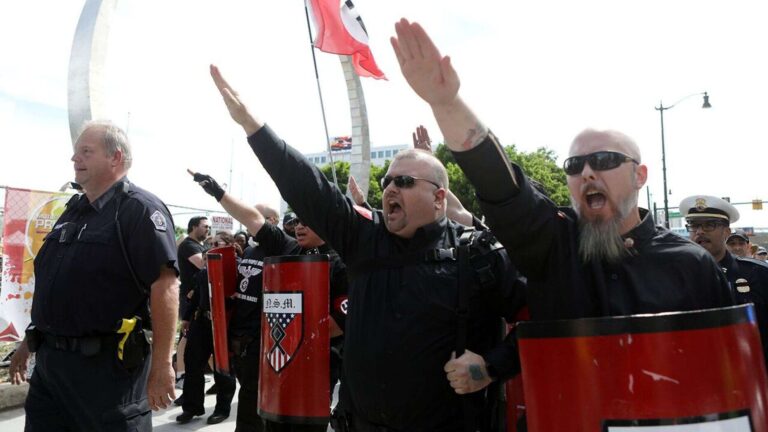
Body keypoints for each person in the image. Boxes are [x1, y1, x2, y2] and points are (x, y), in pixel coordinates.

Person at [210, 65, 519, 432]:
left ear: (439, 198)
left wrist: (491, 366)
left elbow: (543, 318)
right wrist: (254, 127)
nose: (390, 188)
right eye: (388, 180)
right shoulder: (363, 238)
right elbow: (311, 189)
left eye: (404, 181)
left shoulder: (478, 254)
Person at [386, 18, 733, 322]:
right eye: (575, 165)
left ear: (639, 175)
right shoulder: (552, 247)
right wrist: (446, 103)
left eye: (604, 160)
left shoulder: (692, 265)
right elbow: (501, 187)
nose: (587, 173)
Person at [8, 120, 179, 431]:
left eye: (86, 152)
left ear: (116, 157)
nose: (75, 159)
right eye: (75, 153)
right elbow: (57, 285)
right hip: (51, 370)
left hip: (106, 374)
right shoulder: (73, 210)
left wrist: (163, 364)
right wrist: (29, 342)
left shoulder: (138, 209)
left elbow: (165, 285)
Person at [191, 171, 349, 432]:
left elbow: (341, 320)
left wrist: (298, 339)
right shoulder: (288, 247)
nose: (299, 226)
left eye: (307, 221)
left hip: (316, 370)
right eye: (297, 220)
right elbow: (253, 218)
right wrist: (219, 193)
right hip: (275, 363)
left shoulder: (342, 263)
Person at [680, 194, 768, 368]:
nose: (700, 232)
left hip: (750, 372)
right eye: (694, 225)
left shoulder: (758, 274)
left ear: (727, 232)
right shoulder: (676, 277)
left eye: (709, 225)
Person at [176, 230, 238, 425]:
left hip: (225, 324)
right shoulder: (204, 272)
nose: (212, 248)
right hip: (202, 322)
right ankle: (192, 406)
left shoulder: (238, 270)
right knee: (192, 361)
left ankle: (222, 409)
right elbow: (196, 297)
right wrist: (186, 318)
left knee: (223, 368)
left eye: (218, 243)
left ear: (229, 246)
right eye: (210, 244)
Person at [176, 215, 210, 389]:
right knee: (186, 337)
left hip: (199, 297)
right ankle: (181, 376)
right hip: (189, 298)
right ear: (193, 227)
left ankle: (219, 376)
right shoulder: (189, 245)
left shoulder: (199, 245)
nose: (208, 229)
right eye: (205, 226)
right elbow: (206, 266)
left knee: (204, 338)